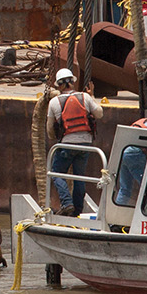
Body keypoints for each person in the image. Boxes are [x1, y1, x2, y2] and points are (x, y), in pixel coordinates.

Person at [48, 68, 103, 216]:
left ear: (59, 85)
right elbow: (99, 113)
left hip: (66, 144)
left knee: (56, 173)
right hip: (86, 145)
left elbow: (49, 130)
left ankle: (66, 203)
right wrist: (93, 96)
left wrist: (56, 138)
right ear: (72, 82)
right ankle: (77, 210)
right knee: (80, 177)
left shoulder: (54, 102)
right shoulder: (85, 97)